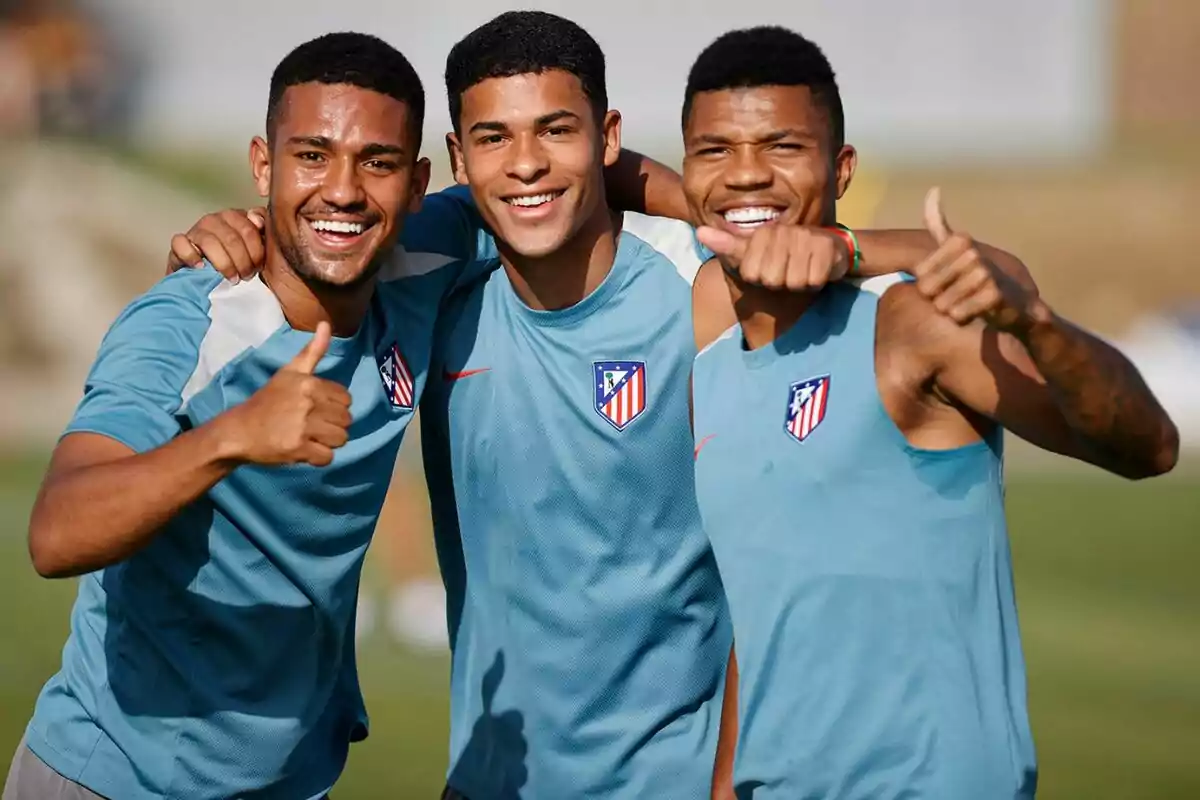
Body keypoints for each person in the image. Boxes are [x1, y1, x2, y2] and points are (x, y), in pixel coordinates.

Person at [169, 13, 1036, 798]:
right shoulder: (435, 285)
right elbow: (330, 227)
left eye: (557, 130)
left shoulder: (698, 289)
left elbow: (989, 278)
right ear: (461, 161)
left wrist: (830, 241)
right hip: (487, 781)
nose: (529, 162)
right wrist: (227, 238)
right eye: (496, 139)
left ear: (606, 136)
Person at [684, 27, 1179, 800]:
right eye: (713, 151)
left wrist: (1037, 326)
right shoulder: (709, 342)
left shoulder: (910, 326)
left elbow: (1147, 447)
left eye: (783, 146)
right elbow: (767, 606)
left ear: (841, 169)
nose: (746, 175)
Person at [3, 32, 476, 800]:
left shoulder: (421, 263)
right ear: (265, 165)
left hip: (288, 780)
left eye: (377, 162)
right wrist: (231, 438)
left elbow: (563, 176)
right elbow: (56, 534)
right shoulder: (185, 322)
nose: (344, 190)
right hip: (116, 778)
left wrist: (701, 202)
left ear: (418, 182)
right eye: (312, 156)